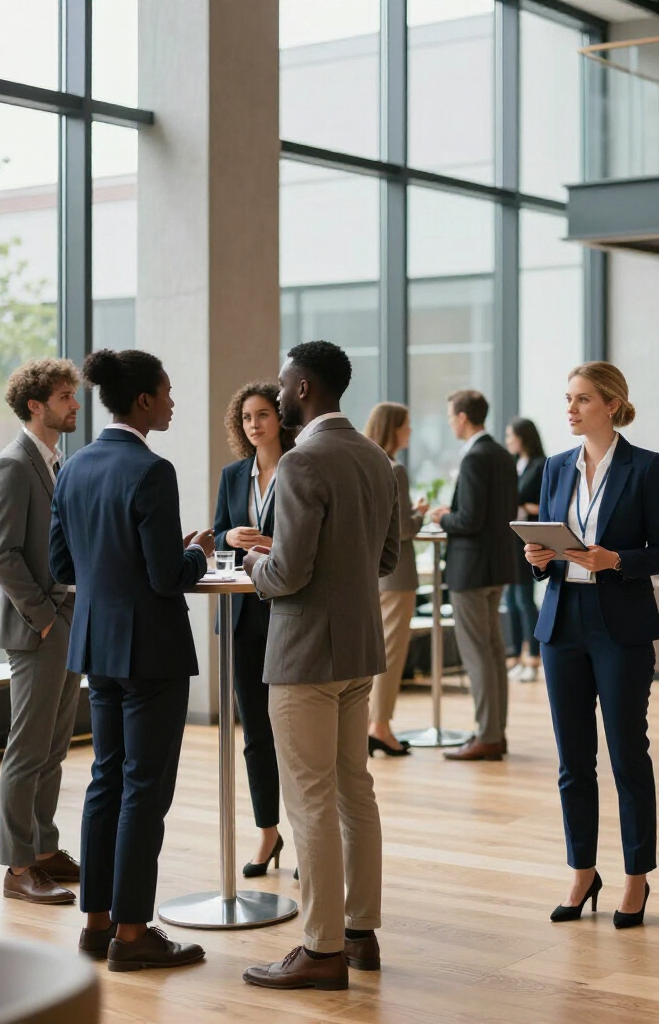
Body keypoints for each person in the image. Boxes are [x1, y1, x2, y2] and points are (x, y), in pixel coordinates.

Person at [241, 341, 400, 992]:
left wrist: (255, 563)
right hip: (358, 648)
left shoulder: (304, 462)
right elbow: (384, 559)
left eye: (283, 385)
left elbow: (288, 572)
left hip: (305, 652)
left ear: (304, 388)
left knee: (308, 801)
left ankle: (321, 948)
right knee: (353, 791)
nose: (277, 395)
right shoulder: (376, 458)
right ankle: (360, 932)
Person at [50, 348, 214, 970]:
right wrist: (193, 552)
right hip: (152, 651)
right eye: (167, 392)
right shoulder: (152, 471)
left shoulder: (74, 468)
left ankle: (97, 925)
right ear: (142, 400)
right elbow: (168, 576)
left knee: (106, 781)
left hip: (98, 645)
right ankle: (134, 935)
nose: (172, 402)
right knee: (146, 790)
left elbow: (64, 567)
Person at [524, 362, 659, 930]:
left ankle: (636, 878)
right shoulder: (555, 467)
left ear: (611, 404)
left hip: (621, 625)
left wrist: (616, 561)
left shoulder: (647, 467)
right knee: (572, 762)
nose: (570, 408)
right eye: (567, 398)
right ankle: (582, 871)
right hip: (562, 623)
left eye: (582, 399)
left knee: (628, 757)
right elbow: (546, 545)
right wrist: (538, 557)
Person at [0, 358, 82, 905]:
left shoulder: (54, 461)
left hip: (68, 617)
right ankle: (18, 866)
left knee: (54, 748)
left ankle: (44, 850)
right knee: (27, 750)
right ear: (36, 405)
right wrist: (44, 617)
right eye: (66, 397)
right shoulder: (13, 465)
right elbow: (1, 554)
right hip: (37, 625)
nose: (75, 404)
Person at [213, 381, 296, 876]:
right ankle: (268, 832)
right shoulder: (233, 475)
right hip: (244, 615)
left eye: (263, 414)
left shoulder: (299, 466)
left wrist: (273, 540)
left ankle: (307, 833)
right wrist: (228, 534)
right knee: (256, 734)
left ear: (279, 419)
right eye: (247, 418)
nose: (255, 424)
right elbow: (218, 529)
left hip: (289, 610)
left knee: (298, 732)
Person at [430, 390, 518, 762]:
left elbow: (468, 521)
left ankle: (487, 735)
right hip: (498, 564)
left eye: (451, 416)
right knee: (494, 652)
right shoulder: (500, 454)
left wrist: (441, 517)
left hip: (471, 568)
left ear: (463, 418)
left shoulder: (474, 458)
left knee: (478, 654)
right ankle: (494, 731)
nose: (451, 423)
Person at [363, 401, 429, 756]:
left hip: (369, 572)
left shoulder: (364, 464)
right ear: (393, 429)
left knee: (375, 653)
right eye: (406, 424)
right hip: (397, 574)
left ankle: (370, 724)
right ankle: (380, 726)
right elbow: (402, 529)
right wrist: (417, 515)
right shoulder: (395, 468)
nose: (411, 431)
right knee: (391, 654)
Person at [503, 417, 545, 683]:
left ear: (523, 436)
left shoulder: (541, 465)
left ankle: (533, 658)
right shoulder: (515, 465)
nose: (508, 440)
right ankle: (516, 655)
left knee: (524, 600)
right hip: (511, 539)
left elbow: (546, 504)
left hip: (528, 539)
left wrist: (529, 508)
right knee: (511, 600)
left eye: (511, 435)